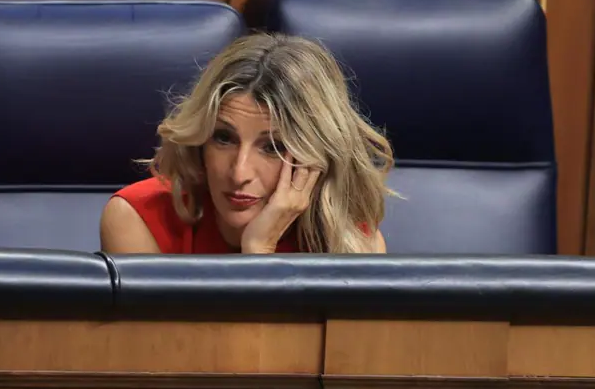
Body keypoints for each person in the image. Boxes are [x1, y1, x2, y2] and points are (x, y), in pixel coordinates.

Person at [100, 32, 393, 254]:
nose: (239, 174)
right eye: (223, 138)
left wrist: (257, 251)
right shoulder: (140, 219)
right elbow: (170, 339)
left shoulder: (352, 243)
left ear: (314, 158)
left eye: (272, 147)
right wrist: (257, 253)